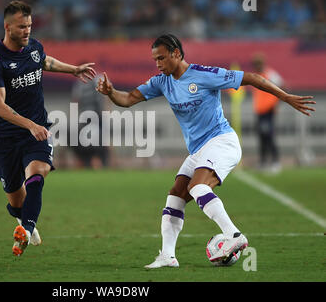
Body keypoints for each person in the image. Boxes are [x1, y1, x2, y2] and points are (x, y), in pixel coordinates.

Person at [95, 34, 315, 267]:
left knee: (198, 187)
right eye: (155, 60)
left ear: (176, 53)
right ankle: (168, 256)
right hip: (199, 150)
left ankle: (234, 235)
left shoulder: (204, 74)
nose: (158, 64)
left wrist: (285, 96)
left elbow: (250, 78)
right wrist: (110, 92)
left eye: (161, 58)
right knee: (175, 197)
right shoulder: (162, 82)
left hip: (222, 142)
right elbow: (128, 99)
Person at [0, 0, 96, 257]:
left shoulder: (33, 47)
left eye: (30, 26)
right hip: (5, 137)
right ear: (7, 26)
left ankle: (27, 227)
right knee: (16, 198)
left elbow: (45, 62)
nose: (27, 31)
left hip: (37, 130)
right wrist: (30, 124)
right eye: (22, 27)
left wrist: (74, 70)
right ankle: (24, 220)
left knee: (38, 172)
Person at [251, 53, 284, 172]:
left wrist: (275, 102)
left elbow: (282, 86)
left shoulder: (270, 74)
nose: (256, 66)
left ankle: (275, 161)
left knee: (269, 135)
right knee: (262, 136)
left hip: (268, 110)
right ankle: (263, 161)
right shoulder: (256, 76)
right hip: (260, 110)